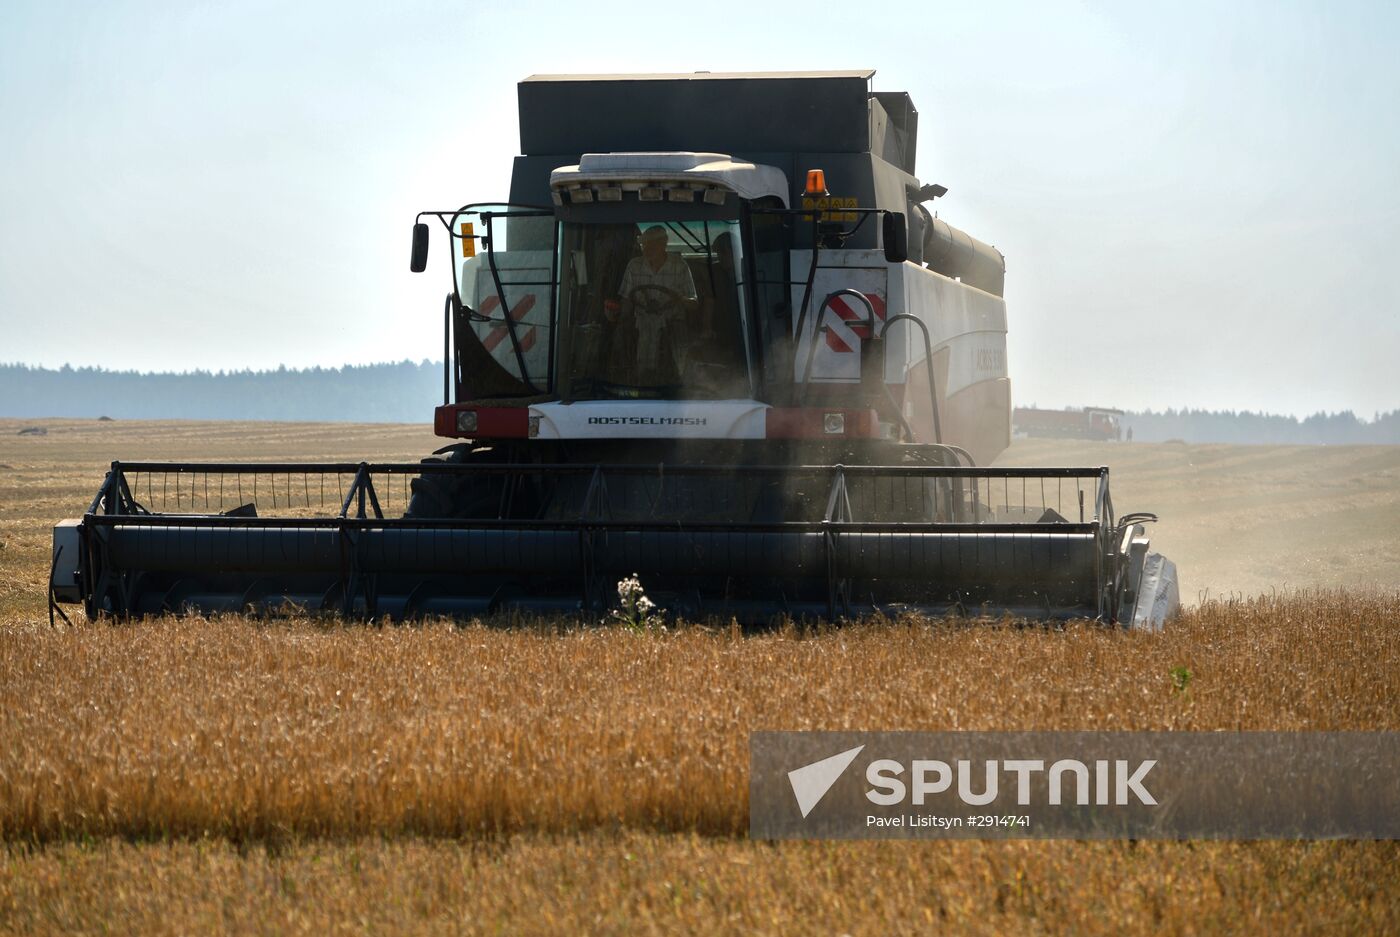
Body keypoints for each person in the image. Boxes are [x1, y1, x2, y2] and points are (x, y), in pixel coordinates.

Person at [607, 225, 698, 384]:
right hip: (641, 324)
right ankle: (637, 379)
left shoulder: (680, 266)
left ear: (664, 244)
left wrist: (679, 299)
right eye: (644, 244)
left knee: (678, 356)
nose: (646, 248)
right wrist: (617, 314)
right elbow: (627, 300)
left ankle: (679, 380)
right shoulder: (634, 265)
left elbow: (693, 303)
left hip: (672, 324)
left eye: (651, 244)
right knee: (623, 339)